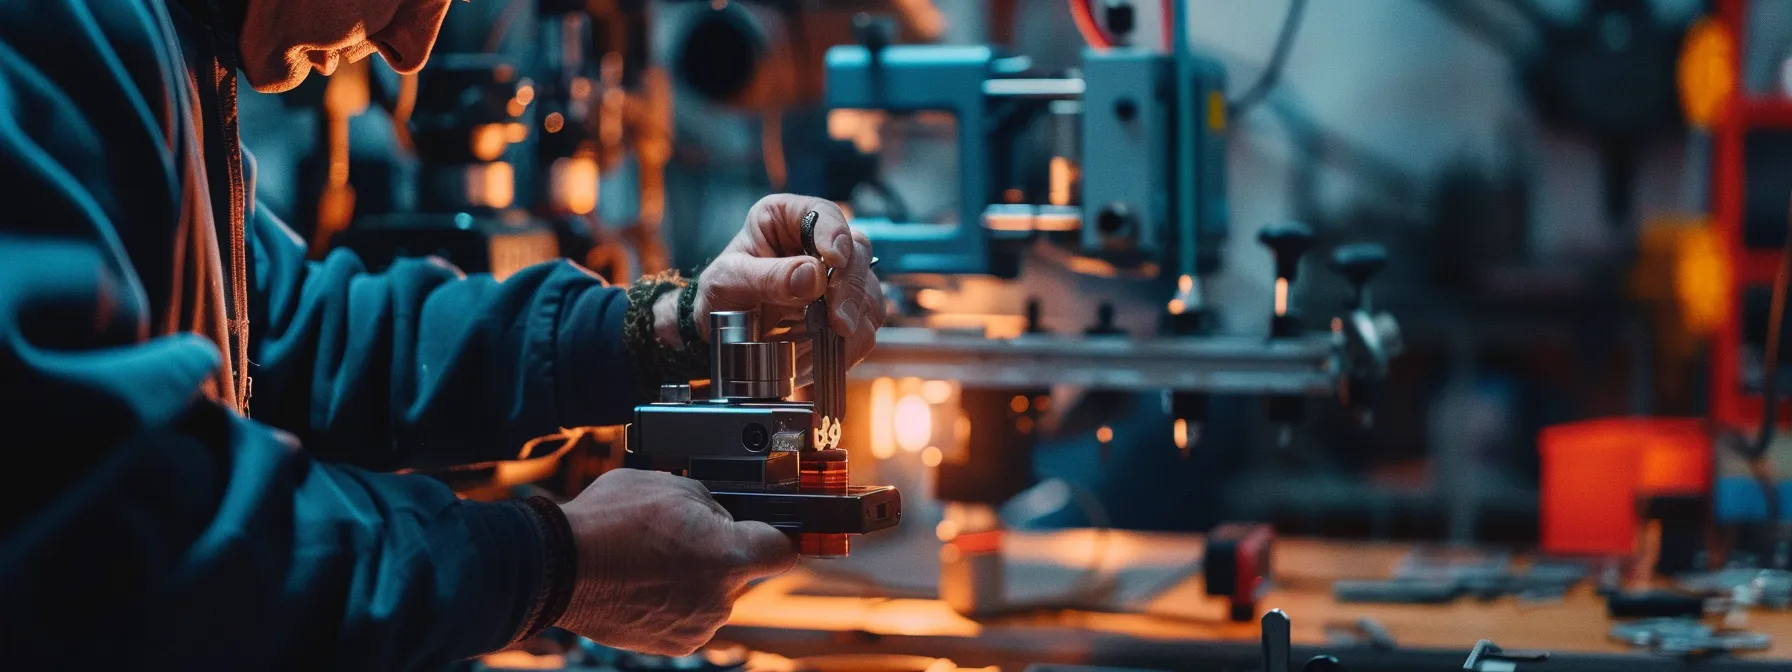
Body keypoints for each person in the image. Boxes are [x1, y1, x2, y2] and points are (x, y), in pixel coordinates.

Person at [0, 0, 885, 668]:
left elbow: (313, 338)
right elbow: (123, 537)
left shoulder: (165, 45)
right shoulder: (43, 38)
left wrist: (671, 324)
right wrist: (550, 564)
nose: (409, 47)